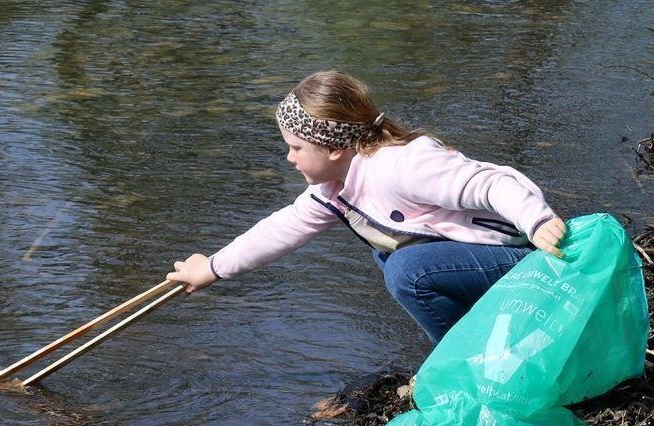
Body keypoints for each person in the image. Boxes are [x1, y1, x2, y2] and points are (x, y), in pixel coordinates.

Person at [167, 70, 566, 344]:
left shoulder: (402, 164)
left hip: (526, 258)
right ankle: (486, 343)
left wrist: (537, 221)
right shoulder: (334, 190)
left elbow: (491, 183)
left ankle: (470, 362)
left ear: (336, 148)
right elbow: (280, 230)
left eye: (296, 148)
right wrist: (213, 268)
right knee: (390, 258)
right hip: (480, 263)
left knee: (407, 270)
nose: (289, 158)